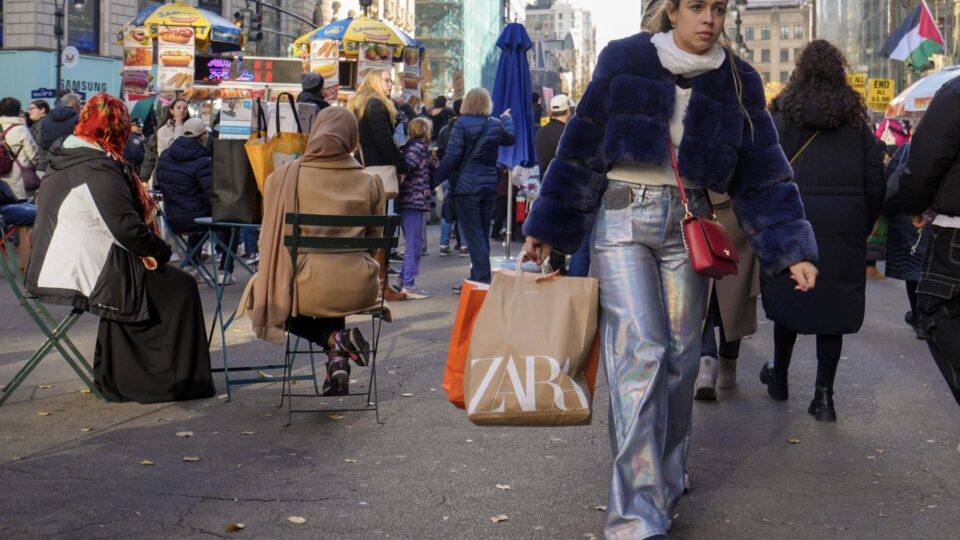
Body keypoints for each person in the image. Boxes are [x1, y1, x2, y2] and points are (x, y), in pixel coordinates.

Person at [520, 2, 819, 537]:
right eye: (696, 7)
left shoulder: (738, 78)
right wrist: (549, 224)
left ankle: (664, 472)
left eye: (718, 8)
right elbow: (582, 143)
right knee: (642, 352)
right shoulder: (624, 58)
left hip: (691, 224)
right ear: (672, 11)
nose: (708, 19)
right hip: (621, 220)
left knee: (681, 359)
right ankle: (636, 512)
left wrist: (792, 248)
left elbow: (764, 170)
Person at [25, 92, 215, 404]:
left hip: (67, 260)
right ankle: (168, 379)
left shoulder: (74, 156)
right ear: (115, 129)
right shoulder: (96, 167)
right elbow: (126, 228)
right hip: (79, 268)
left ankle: (138, 372)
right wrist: (160, 251)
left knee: (161, 283)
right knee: (178, 285)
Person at [760, 40, 884, 423]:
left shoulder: (781, 115)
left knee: (790, 297)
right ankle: (824, 397)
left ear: (799, 71)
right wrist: (862, 224)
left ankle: (779, 377)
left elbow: (764, 171)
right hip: (844, 221)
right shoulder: (856, 121)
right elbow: (876, 179)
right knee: (833, 305)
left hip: (793, 217)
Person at [240, 107, 381, 396]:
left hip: (303, 284)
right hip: (359, 286)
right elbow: (373, 243)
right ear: (352, 138)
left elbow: (270, 238)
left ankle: (333, 339)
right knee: (333, 279)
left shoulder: (282, 177)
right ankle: (337, 363)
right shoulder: (371, 182)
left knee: (261, 296)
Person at [900, 72, 960, 408]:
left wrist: (914, 204)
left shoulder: (955, 92)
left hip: (954, 232)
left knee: (938, 314)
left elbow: (924, 161)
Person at [433, 88, 515, 292]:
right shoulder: (495, 124)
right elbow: (510, 138)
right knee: (481, 233)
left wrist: (431, 181)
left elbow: (451, 158)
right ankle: (476, 278)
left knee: (474, 235)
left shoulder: (461, 125)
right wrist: (507, 119)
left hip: (465, 188)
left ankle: (482, 281)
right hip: (488, 186)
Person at [348, 69, 408, 301]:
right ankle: (380, 286)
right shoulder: (376, 105)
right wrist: (402, 165)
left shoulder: (360, 104)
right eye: (386, 80)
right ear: (374, 81)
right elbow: (384, 140)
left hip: (363, 171)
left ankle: (368, 285)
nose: (391, 84)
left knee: (370, 228)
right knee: (380, 228)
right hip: (379, 173)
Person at [694, 191, 760, 399]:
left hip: (700, 202)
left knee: (705, 284)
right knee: (735, 287)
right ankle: (727, 365)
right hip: (739, 207)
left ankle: (706, 360)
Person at [882, 141, 930, 340]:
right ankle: (925, 319)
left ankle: (919, 319)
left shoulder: (908, 148)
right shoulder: (947, 146)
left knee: (913, 270)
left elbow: (889, 177)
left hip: (904, 213)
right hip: (932, 213)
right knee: (929, 269)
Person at [534, 94, 580, 275]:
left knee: (552, 235)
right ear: (568, 111)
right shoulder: (569, 133)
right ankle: (562, 274)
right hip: (566, 188)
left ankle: (554, 272)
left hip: (546, 187)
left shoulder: (540, 133)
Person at [396, 118, 435, 299]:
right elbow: (407, 167)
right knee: (414, 244)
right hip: (414, 200)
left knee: (413, 243)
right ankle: (409, 285)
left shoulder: (410, 147)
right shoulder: (418, 148)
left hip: (408, 200)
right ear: (425, 130)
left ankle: (402, 280)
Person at [436, 98, 465, 257]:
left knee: (447, 209)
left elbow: (439, 152)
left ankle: (444, 243)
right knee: (462, 209)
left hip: (448, 173)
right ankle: (464, 246)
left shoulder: (444, 130)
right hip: (463, 174)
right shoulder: (468, 128)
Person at [0, 97, 40, 202]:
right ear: (18, 111)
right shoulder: (20, 129)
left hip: (2, 183)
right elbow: (33, 154)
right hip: (19, 180)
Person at [26, 100, 50, 171]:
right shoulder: (39, 123)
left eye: (32, 108)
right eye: (29, 109)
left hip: (42, 165)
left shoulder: (43, 124)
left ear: (42, 110)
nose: (29, 111)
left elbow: (39, 145)